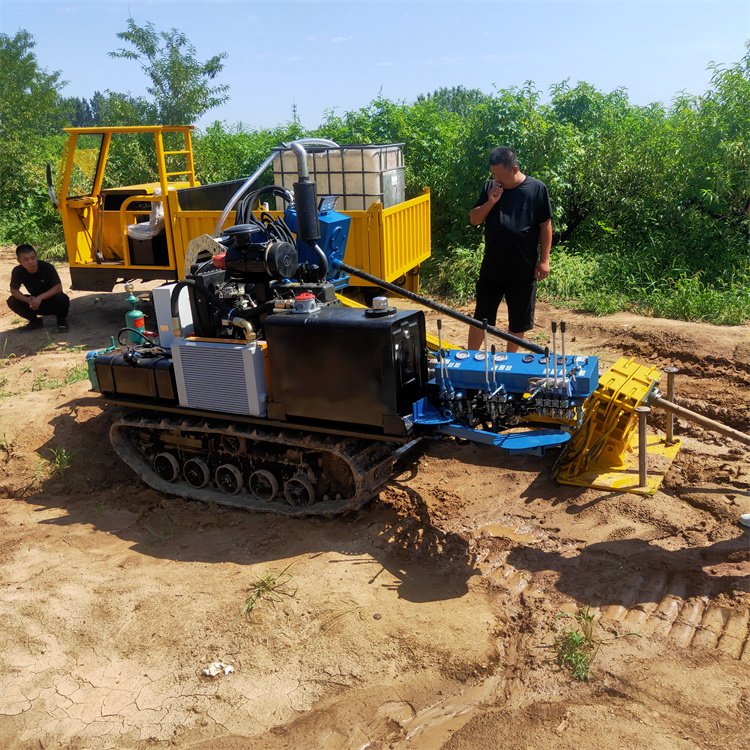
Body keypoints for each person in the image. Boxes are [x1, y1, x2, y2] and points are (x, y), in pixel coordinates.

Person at [468, 147, 552, 352]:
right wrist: (491, 201)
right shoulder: (491, 187)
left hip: (522, 268)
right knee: (482, 316)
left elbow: (545, 225)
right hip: (492, 267)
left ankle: (510, 361)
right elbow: (474, 219)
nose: (495, 178)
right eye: (493, 173)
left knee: (518, 320)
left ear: (514, 169)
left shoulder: (536, 189)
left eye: (500, 174)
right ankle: (469, 359)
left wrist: (544, 260)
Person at [7, 244, 70, 332]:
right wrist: (28, 300)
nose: (30, 262)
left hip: (52, 302)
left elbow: (58, 287)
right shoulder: (17, 271)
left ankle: (61, 320)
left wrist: (40, 298)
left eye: (33, 258)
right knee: (12, 300)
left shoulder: (47, 267)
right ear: (19, 261)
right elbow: (14, 290)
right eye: (26, 259)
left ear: (36, 256)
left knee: (62, 298)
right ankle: (35, 321)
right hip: (34, 304)